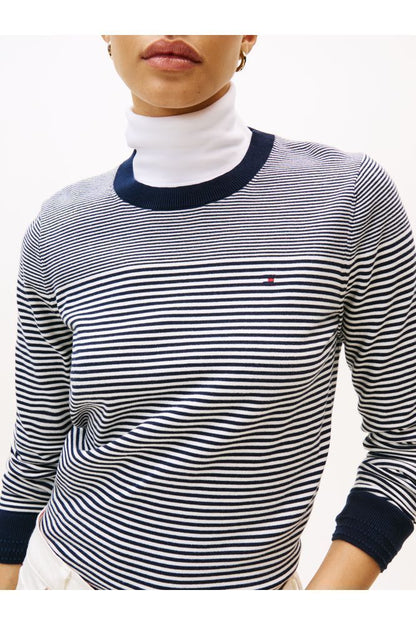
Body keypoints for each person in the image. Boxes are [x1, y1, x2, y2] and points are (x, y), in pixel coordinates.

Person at [0, 34, 415, 591]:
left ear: (247, 33)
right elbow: (35, 449)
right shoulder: (60, 228)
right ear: (105, 28)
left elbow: (404, 448)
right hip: (61, 580)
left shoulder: (347, 197)